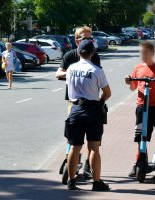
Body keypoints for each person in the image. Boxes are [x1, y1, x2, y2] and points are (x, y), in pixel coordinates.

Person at [65, 39, 111, 191]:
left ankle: (71, 182)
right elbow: (107, 93)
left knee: (74, 148)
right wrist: (100, 102)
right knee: (94, 148)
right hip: (92, 111)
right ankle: (96, 182)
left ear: (78, 52)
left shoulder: (71, 69)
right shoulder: (96, 70)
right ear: (92, 53)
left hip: (75, 109)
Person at [125, 40, 155, 179]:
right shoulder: (138, 68)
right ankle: (138, 163)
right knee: (141, 138)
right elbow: (133, 87)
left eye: (145, 52)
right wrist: (129, 81)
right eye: (141, 52)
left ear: (152, 53)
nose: (142, 54)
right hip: (141, 106)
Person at [56, 26, 100, 178]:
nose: (89, 42)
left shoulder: (94, 56)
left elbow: (97, 76)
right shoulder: (69, 56)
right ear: (77, 41)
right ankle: (70, 160)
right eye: (85, 39)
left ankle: (89, 164)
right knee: (72, 135)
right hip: (73, 101)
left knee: (93, 140)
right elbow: (58, 73)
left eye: (90, 39)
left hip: (92, 102)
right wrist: (74, 72)